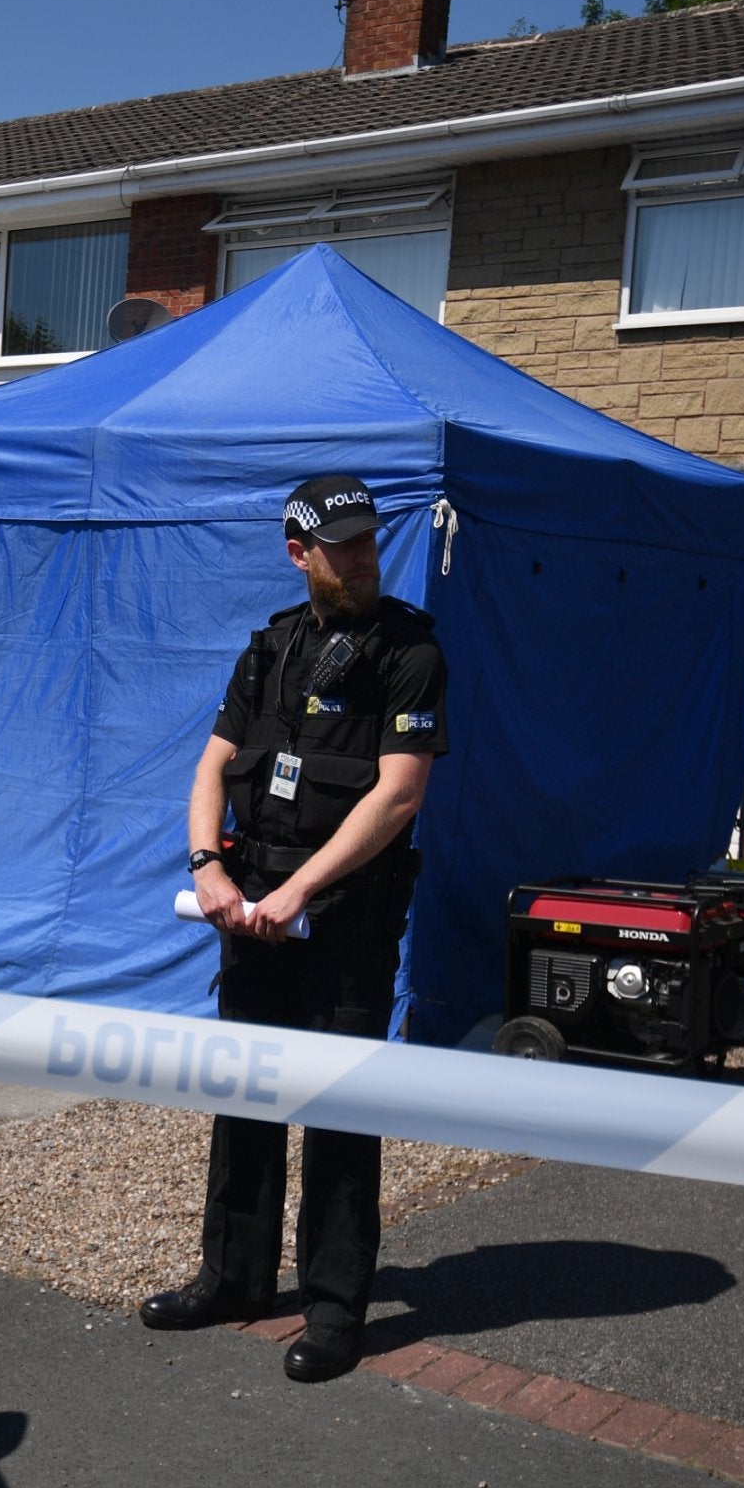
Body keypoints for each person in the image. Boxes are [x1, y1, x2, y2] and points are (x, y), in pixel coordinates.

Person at [139, 474, 448, 1383]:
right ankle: (233, 1278)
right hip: (252, 912)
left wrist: (301, 890)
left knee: (339, 1113)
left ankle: (335, 1305)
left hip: (345, 922)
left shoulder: (410, 653)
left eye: (368, 543)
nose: (361, 557)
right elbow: (212, 765)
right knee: (245, 1097)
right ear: (299, 552)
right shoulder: (270, 648)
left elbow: (398, 794)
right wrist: (210, 867)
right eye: (341, 546)